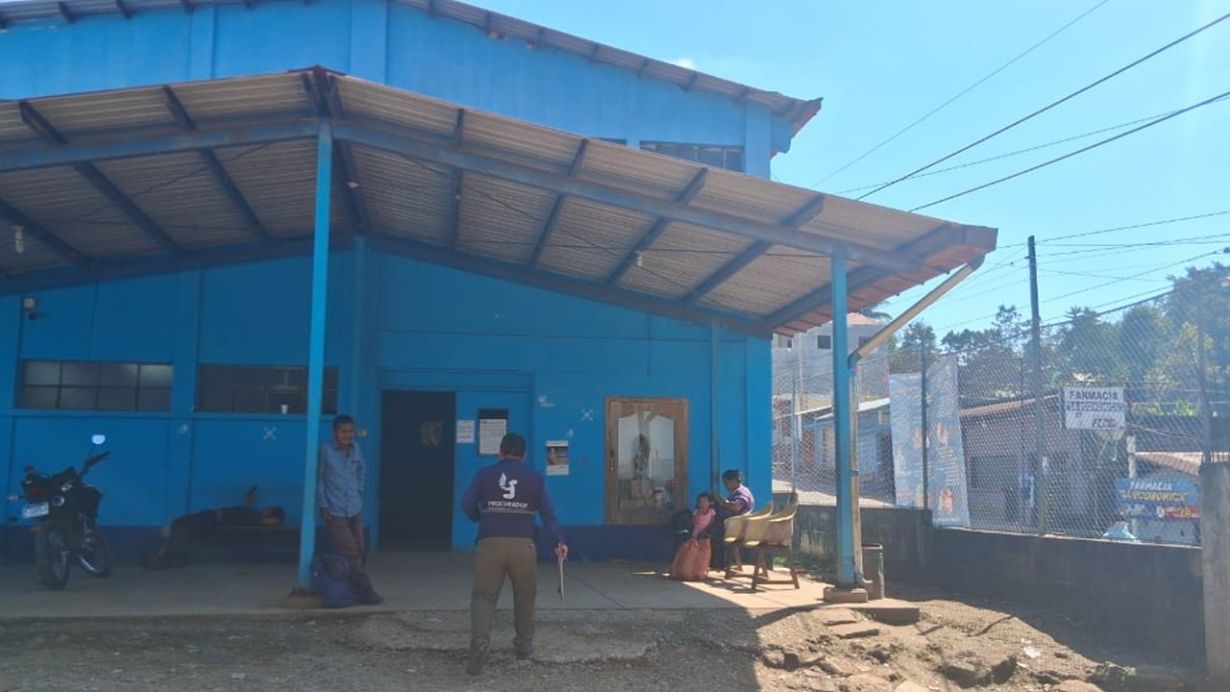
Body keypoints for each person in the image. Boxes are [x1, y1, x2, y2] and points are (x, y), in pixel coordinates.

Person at [460, 432, 567, 676]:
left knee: (484, 597)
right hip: (523, 544)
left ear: (500, 452)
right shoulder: (535, 478)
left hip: (490, 543)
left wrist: (478, 517)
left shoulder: (484, 474)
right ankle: (524, 645)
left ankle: (480, 642)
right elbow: (548, 513)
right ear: (524, 454)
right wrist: (558, 540)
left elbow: (466, 503)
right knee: (525, 595)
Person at [318, 414, 383, 605]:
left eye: (350, 431)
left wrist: (359, 492)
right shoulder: (326, 451)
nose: (347, 435)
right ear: (335, 433)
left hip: (354, 507)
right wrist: (323, 504)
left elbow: (362, 470)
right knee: (350, 550)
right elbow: (319, 478)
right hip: (335, 510)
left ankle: (350, 589)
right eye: (343, 431)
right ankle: (366, 590)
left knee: (360, 549)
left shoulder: (356, 450)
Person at [143, 487, 285, 570]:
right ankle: (165, 554)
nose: (266, 508)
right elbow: (248, 504)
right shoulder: (254, 513)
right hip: (210, 516)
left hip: (211, 519)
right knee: (181, 526)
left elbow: (275, 521)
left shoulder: (259, 518)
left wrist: (272, 516)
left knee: (182, 529)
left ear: (270, 513)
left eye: (269, 509)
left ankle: (161, 556)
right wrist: (250, 496)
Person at [710, 469, 755, 570]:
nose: (726, 486)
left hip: (736, 527)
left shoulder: (742, 493)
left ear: (734, 480)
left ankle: (718, 564)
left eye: (727, 483)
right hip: (732, 524)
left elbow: (736, 507)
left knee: (712, 533)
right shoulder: (738, 492)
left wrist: (722, 501)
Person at [669, 493, 715, 581]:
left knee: (703, 555)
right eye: (700, 502)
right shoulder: (696, 512)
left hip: (705, 535)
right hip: (695, 534)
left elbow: (713, 523)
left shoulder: (712, 512)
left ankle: (700, 571)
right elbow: (692, 523)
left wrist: (707, 531)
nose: (701, 504)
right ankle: (687, 571)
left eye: (704, 501)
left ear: (710, 503)